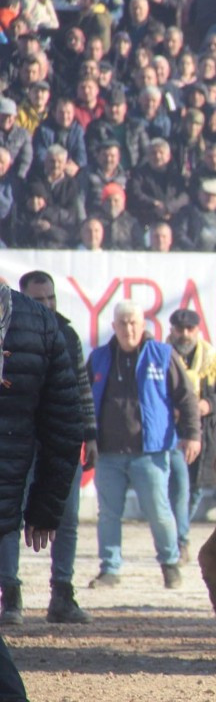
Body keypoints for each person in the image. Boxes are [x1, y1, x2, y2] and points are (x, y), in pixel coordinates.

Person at [0, 281, 83, 700]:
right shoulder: (40, 324)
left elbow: (66, 421)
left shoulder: (46, 326)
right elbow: (65, 425)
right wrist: (45, 506)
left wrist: (47, 505)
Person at [87, 301, 200, 590]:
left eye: (134, 322)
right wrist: (87, 438)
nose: (129, 329)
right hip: (108, 453)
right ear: (113, 326)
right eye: (123, 323)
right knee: (108, 515)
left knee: (159, 512)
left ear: (143, 325)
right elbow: (83, 402)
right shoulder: (98, 358)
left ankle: (170, 564)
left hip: (151, 452)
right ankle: (110, 569)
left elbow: (186, 397)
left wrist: (192, 435)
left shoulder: (162, 354)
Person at [166, 309, 216, 563]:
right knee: (178, 489)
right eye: (180, 330)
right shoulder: (160, 356)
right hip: (170, 432)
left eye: (190, 329)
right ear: (172, 331)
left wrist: (208, 404)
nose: (185, 334)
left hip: (203, 433)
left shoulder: (213, 360)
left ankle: (178, 535)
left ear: (198, 330)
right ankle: (179, 540)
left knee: (195, 489)